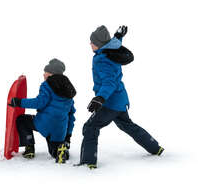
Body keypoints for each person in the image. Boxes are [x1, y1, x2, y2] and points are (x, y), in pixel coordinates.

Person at [77, 25, 164, 169]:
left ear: (98, 44)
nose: (90, 44)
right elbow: (114, 43)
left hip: (110, 103)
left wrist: (100, 98)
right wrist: (118, 36)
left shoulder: (102, 59)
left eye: (92, 42)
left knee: (90, 127)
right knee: (128, 126)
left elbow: (109, 82)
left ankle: (88, 162)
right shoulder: (111, 50)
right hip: (120, 100)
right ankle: (155, 147)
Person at [9, 58, 76, 163]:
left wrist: (19, 102)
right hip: (60, 129)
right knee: (54, 151)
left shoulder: (47, 85)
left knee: (22, 120)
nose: (44, 75)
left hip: (44, 124)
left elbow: (39, 102)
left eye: (46, 72)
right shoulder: (68, 90)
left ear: (51, 74)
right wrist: (68, 136)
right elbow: (71, 116)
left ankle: (29, 148)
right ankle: (61, 151)